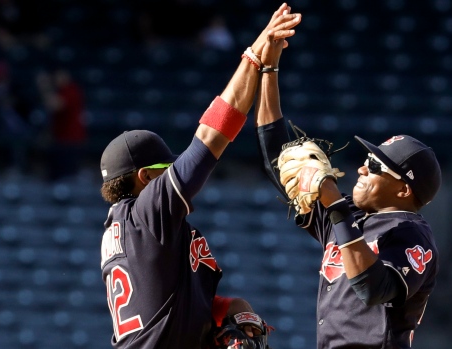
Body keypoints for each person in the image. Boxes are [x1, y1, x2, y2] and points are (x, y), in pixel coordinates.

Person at [98, 3, 301, 348]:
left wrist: (234, 310)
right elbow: (210, 139)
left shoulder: (131, 229)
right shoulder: (146, 214)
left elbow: (172, 306)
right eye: (166, 170)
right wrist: (253, 57)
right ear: (146, 177)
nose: (174, 173)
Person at [254, 33, 442, 348]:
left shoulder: (411, 232)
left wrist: (335, 206)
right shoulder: (347, 217)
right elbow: (278, 159)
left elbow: (372, 288)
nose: (362, 169)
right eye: (367, 160)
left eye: (376, 167)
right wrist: (269, 72)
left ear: (403, 191)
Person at [36, 67, 87, 181]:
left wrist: (44, 87)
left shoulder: (71, 90)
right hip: (60, 138)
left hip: (70, 140)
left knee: (67, 175)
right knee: (55, 174)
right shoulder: (60, 91)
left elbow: (55, 105)